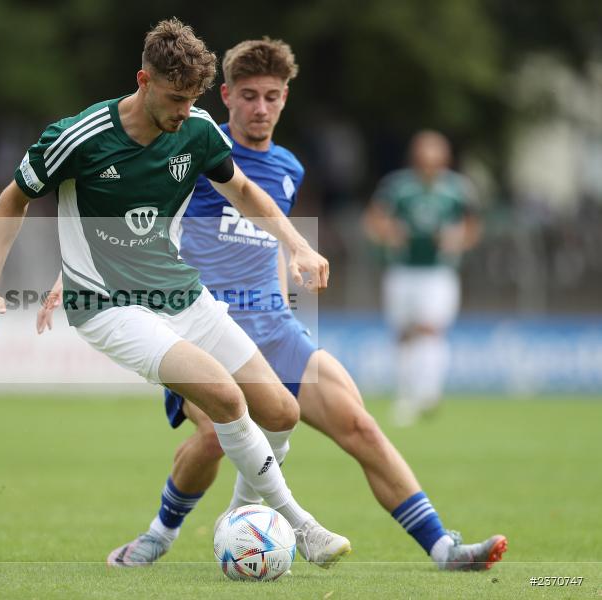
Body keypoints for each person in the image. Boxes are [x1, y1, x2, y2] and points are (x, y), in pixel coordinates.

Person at [38, 37, 506, 572]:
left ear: (285, 99)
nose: (261, 108)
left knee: (359, 424)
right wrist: (68, 273)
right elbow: (128, 214)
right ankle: (159, 535)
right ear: (226, 96)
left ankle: (443, 548)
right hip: (197, 322)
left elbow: (268, 239)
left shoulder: (288, 167)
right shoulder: (190, 146)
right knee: (216, 433)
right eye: (250, 95)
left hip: (275, 327)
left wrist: (292, 279)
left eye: (273, 96)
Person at [0, 18, 352, 569]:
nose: (183, 113)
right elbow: (11, 200)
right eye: (174, 99)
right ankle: (301, 526)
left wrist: (296, 246)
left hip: (181, 295)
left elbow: (241, 188)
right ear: (142, 80)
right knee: (224, 397)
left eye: (192, 99)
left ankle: (241, 521)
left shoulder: (195, 129)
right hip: (107, 307)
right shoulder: (78, 137)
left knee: (282, 411)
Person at [364, 131, 482, 426]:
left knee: (431, 328)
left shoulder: (457, 190)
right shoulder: (397, 187)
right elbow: (373, 220)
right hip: (402, 270)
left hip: (437, 272)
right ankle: (406, 394)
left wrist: (457, 242)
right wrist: (389, 234)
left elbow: (472, 227)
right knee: (403, 333)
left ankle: (429, 392)